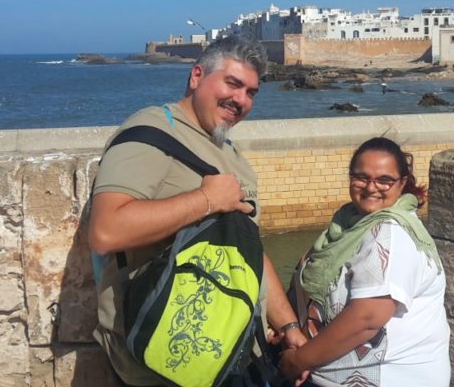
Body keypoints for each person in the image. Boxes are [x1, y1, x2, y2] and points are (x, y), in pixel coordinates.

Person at [88, 36, 306, 386]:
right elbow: (107, 231)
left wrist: (288, 325)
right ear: (196, 76)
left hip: (231, 351)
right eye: (232, 84)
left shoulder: (228, 151)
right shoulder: (151, 133)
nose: (241, 100)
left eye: (251, 92)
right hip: (167, 360)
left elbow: (249, 253)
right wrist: (207, 200)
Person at [279, 137, 450, 386]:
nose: (371, 187)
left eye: (384, 180)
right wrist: (291, 329)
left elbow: (368, 318)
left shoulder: (392, 233)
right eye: (361, 177)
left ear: (402, 183)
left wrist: (298, 361)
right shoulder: (346, 224)